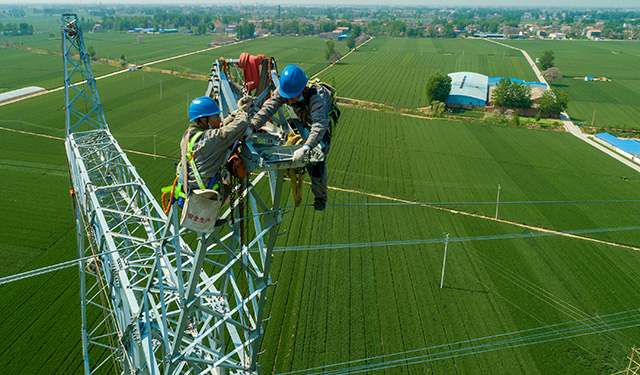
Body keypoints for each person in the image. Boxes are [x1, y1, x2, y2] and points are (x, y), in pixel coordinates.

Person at [247, 64, 338, 211]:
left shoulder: (317, 97)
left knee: (316, 160)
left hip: (321, 122)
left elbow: (319, 125)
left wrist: (307, 147)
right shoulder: (286, 91)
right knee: (292, 136)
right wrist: (252, 127)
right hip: (303, 115)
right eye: (287, 97)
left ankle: (320, 197)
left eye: (293, 96)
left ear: (302, 89)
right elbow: (269, 107)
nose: (289, 99)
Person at [181, 96, 250, 201]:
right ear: (204, 120)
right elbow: (241, 124)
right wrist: (240, 111)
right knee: (228, 181)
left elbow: (218, 130)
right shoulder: (211, 139)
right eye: (217, 116)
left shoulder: (188, 135)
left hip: (188, 191)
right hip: (206, 196)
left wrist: (232, 116)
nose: (220, 119)